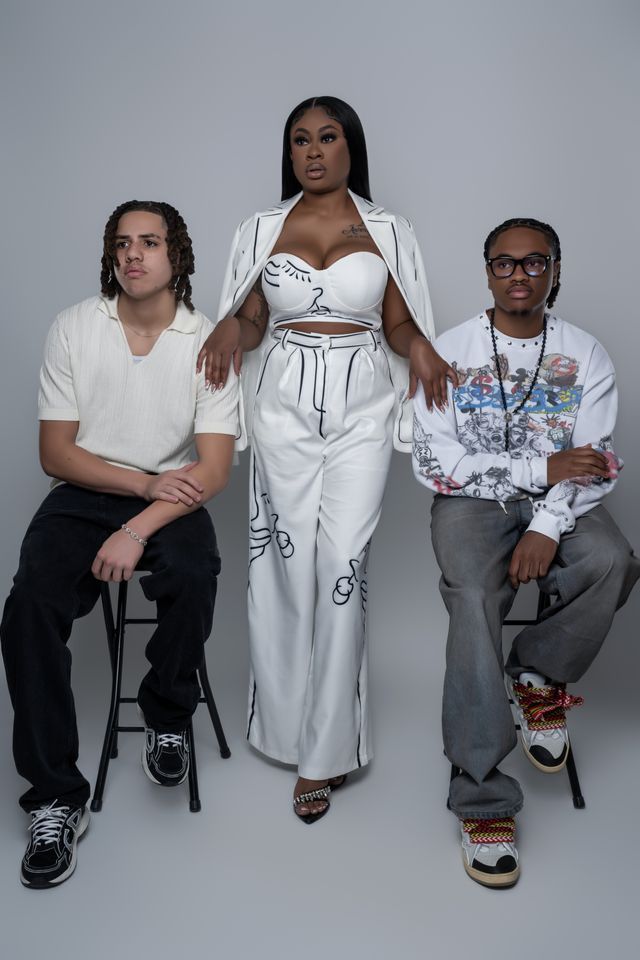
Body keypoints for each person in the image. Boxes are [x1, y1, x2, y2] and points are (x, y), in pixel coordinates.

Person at [199, 96, 455, 822]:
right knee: (282, 567)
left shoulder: (387, 229)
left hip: (361, 403)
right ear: (289, 153)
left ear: (351, 146)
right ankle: (285, 729)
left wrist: (421, 345)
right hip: (281, 398)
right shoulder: (261, 228)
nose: (312, 151)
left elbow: (397, 322)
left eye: (327, 137)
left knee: (341, 564)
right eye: (300, 140)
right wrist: (231, 326)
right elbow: (255, 316)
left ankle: (326, 751)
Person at [1, 200, 239, 888]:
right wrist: (138, 487)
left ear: (176, 255)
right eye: (123, 243)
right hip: (87, 491)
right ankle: (55, 797)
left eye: (150, 242)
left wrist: (138, 525)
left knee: (194, 572)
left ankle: (166, 713)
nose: (134, 254)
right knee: (28, 607)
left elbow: (213, 470)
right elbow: (55, 453)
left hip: (174, 497)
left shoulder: (207, 340)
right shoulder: (75, 327)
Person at [412, 217, 639, 886]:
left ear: (555, 272)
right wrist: (540, 470)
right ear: (487, 272)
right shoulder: (448, 350)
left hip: (564, 504)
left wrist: (547, 523)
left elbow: (594, 463)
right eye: (504, 263)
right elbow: (436, 463)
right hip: (470, 504)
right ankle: (481, 793)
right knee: (473, 597)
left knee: (611, 559)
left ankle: (537, 674)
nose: (519, 274)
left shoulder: (586, 354)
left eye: (535, 262)